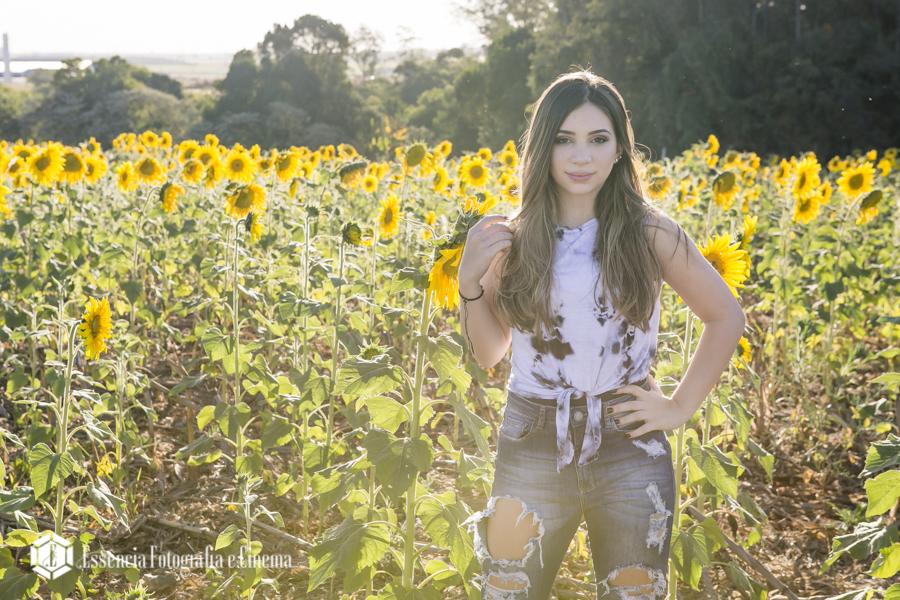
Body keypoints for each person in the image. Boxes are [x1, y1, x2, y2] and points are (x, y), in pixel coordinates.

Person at [456, 70, 746, 600]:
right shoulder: (511, 237)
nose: (581, 156)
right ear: (542, 148)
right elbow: (491, 353)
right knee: (508, 592)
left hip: (628, 442)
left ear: (619, 150)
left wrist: (679, 408)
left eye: (598, 139)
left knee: (632, 594)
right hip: (532, 440)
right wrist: (469, 284)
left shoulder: (648, 231)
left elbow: (726, 315)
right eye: (564, 139)